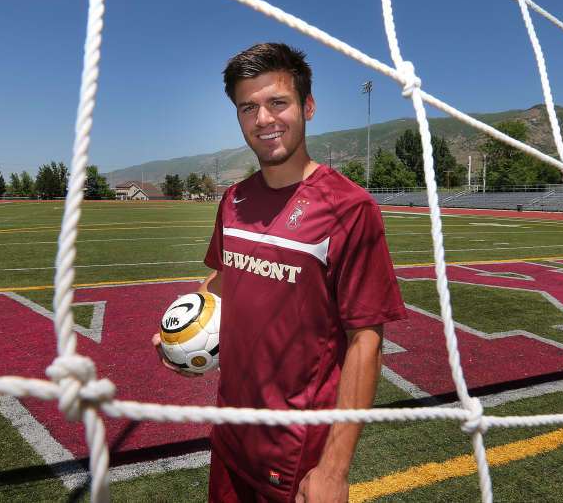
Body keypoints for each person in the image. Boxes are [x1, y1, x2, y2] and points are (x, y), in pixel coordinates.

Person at [153, 43, 406, 502]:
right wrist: (183, 329)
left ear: (307, 106)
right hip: (230, 430)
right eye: (248, 108)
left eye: (277, 103)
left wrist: (333, 469)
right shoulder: (233, 200)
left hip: (295, 448)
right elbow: (224, 280)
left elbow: (365, 341)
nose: (263, 119)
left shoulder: (349, 208)